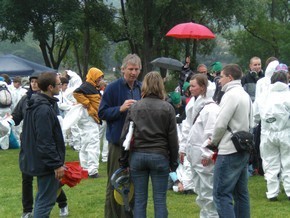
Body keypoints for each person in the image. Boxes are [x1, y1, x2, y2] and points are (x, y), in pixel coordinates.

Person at [119, 71, 179, 218]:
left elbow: (125, 136)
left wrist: (124, 160)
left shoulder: (135, 107)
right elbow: (173, 139)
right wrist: (173, 162)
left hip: (138, 156)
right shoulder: (167, 108)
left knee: (140, 200)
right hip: (159, 155)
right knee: (160, 200)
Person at [13, 72, 69, 218]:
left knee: (42, 199)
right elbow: (45, 141)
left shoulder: (35, 103)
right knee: (45, 202)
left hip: (38, 160)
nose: (60, 87)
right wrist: (56, 164)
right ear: (50, 87)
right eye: (58, 84)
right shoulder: (43, 108)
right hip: (45, 163)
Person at [98, 53, 142, 218]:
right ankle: (113, 215)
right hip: (118, 143)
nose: (133, 72)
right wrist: (120, 109)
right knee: (116, 181)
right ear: (123, 69)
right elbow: (101, 113)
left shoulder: (140, 88)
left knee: (134, 183)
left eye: (136, 69)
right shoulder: (113, 88)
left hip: (136, 144)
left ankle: (130, 214)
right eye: (130, 69)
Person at [208, 64, 252, 218]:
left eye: (221, 76)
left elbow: (220, 123)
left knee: (221, 194)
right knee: (241, 194)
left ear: (230, 77)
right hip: (243, 148)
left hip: (229, 150)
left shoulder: (230, 95)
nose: (219, 80)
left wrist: (213, 142)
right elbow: (251, 122)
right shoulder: (245, 94)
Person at [184, 74, 219, 218]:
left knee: (208, 190)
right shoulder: (193, 103)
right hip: (194, 153)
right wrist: (183, 148)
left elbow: (211, 134)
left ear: (203, 87)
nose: (190, 89)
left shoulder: (211, 108)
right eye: (190, 85)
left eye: (193, 86)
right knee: (199, 190)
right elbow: (187, 128)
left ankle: (213, 215)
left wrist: (207, 154)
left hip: (203, 155)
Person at [254, 64, 290, 201]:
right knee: (288, 162)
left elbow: (255, 116)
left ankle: (272, 192)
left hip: (267, 133)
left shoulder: (263, 96)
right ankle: (288, 190)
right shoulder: (288, 95)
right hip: (286, 132)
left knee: (270, 163)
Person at [73, 67, 104, 178]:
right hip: (89, 117)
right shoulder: (87, 86)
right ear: (94, 76)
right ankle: (92, 170)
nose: (100, 79)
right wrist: (86, 103)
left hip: (89, 117)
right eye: (99, 77)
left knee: (85, 143)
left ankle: (85, 168)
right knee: (93, 143)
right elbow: (76, 93)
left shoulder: (92, 87)